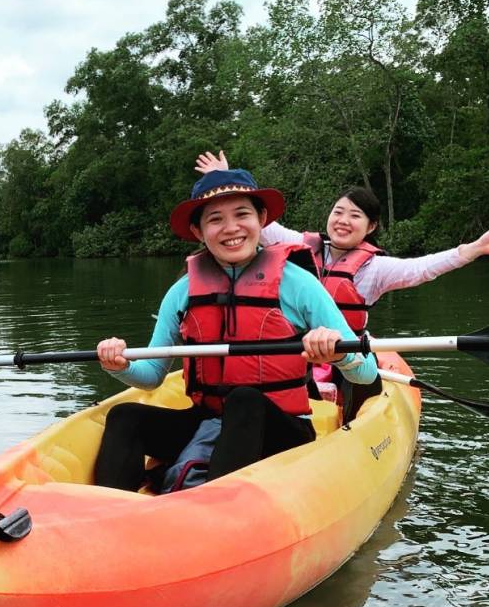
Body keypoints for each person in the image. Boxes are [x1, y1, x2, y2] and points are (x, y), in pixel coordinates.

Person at [94, 168, 380, 492]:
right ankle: (110, 512)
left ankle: (213, 513)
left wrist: (338, 353)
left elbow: (366, 373)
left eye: (242, 214)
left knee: (245, 401)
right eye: (215, 219)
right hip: (208, 421)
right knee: (125, 416)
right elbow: (152, 376)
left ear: (261, 219)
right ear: (198, 230)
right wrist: (119, 365)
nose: (231, 228)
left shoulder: (300, 285)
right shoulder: (182, 292)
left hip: (281, 432)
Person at [195, 150, 489, 419]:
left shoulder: (375, 269)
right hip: (294, 350)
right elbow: (255, 223)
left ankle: (348, 427)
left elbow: (423, 269)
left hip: (345, 357)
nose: (343, 221)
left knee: (351, 381)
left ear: (370, 227)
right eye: (338, 212)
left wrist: (472, 250)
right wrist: (221, 179)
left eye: (355, 216)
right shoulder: (299, 245)